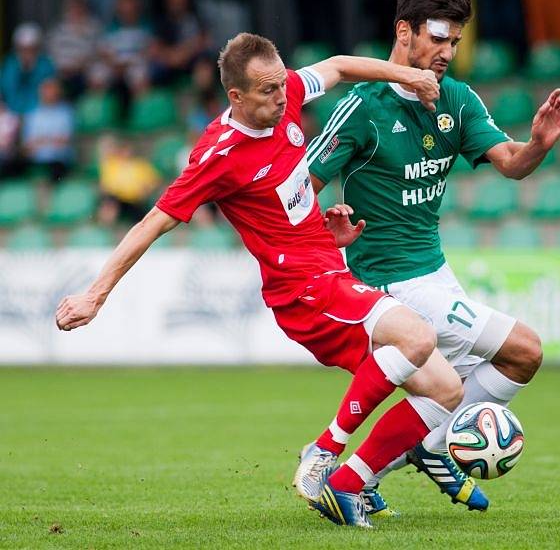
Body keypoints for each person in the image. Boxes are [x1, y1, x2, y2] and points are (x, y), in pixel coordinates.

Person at [55, 32, 464, 529]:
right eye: (268, 91)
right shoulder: (217, 155)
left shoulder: (285, 93)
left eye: (281, 84)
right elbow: (150, 224)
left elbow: (335, 64)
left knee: (445, 389)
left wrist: (322, 229)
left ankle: (349, 484)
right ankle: (324, 451)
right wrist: (95, 294)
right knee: (416, 335)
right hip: (303, 292)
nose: (282, 96)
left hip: (328, 271)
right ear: (236, 97)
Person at [297, 0, 560, 516]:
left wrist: (537, 144)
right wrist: (323, 238)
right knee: (525, 350)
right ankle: (377, 468)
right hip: (390, 283)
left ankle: (375, 470)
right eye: (439, 38)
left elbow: (511, 163)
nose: (448, 52)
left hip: (435, 273)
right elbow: (300, 188)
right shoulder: (363, 108)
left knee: (459, 391)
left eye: (456, 41)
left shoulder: (458, 99)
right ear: (404, 32)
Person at [22, 79, 76, 182]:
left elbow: (64, 141)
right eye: (45, 90)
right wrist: (51, 140)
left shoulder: (67, 113)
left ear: (58, 92)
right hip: (36, 160)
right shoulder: (32, 115)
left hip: (59, 160)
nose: (48, 94)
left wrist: (41, 140)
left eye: (51, 90)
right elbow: (28, 145)